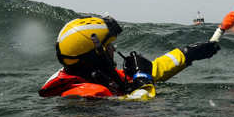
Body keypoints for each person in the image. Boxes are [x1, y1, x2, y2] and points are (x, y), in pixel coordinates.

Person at [38, 16, 220, 100]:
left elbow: (153, 70)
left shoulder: (90, 74)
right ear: (94, 54)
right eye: (108, 46)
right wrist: (142, 81)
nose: (113, 49)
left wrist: (188, 54)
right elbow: (137, 114)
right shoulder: (89, 93)